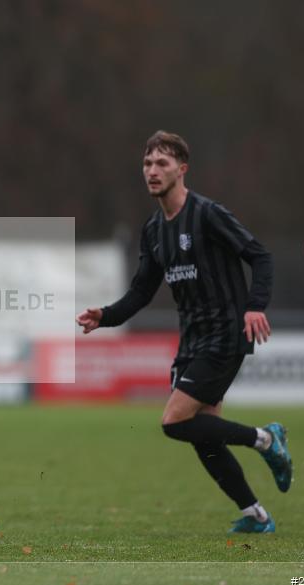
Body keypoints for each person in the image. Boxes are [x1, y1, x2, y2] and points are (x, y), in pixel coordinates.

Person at [76, 130, 292, 533]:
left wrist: (254, 307)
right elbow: (142, 290)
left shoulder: (208, 214)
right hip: (192, 338)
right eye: (147, 164)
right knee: (203, 435)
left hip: (226, 331)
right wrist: (104, 315)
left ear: (182, 169)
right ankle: (256, 515)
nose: (152, 171)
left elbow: (260, 256)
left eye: (162, 163)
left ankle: (266, 439)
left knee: (174, 422)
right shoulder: (154, 230)